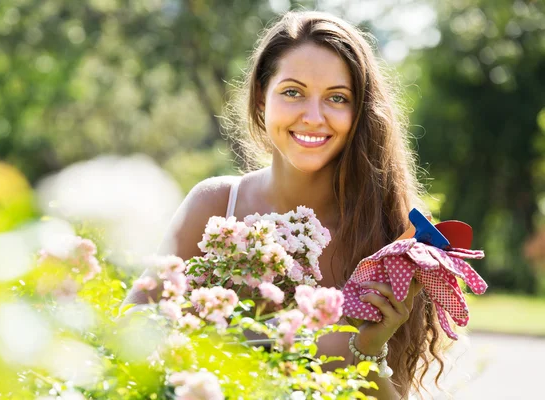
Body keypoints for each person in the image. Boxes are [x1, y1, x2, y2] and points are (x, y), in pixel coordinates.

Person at [123, 10, 445, 399]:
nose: (313, 117)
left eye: (337, 98)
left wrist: (368, 351)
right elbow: (125, 340)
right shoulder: (215, 206)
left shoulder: (394, 238)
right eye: (292, 92)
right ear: (262, 98)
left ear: (360, 112)